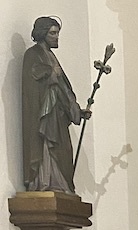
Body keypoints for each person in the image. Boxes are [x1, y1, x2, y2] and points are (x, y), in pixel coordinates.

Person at [21, 17, 89, 193]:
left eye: (57, 33)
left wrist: (76, 111)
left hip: (57, 115)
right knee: (47, 147)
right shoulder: (33, 54)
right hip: (44, 116)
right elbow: (32, 82)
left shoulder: (51, 56)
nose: (56, 37)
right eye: (52, 33)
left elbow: (63, 91)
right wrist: (50, 73)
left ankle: (61, 185)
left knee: (63, 150)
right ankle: (45, 183)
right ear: (42, 34)